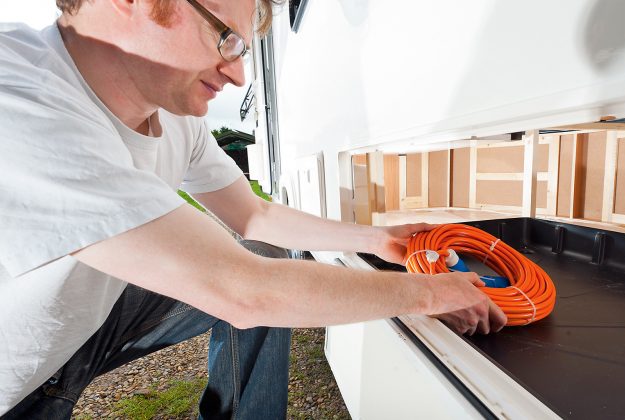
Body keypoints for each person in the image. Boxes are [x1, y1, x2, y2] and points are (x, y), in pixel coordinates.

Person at [0, 0, 507, 418]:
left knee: (264, 253)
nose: (240, 75)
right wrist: (430, 292)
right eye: (227, 40)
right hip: (17, 379)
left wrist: (378, 240)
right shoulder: (19, 97)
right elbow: (241, 291)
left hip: (85, 324)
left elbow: (255, 218)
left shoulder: (174, 116)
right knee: (253, 282)